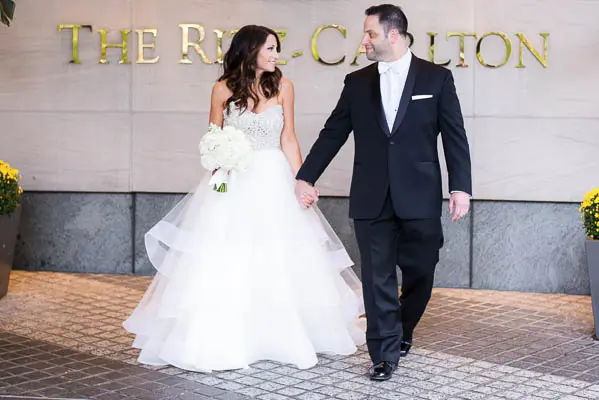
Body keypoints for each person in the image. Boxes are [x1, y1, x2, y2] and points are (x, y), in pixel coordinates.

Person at [123, 25, 365, 373]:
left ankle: (284, 333)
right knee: (228, 254)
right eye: (269, 48)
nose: (275, 54)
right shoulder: (222, 89)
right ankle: (226, 335)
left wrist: (303, 181)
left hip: (273, 179)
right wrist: (220, 160)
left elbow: (289, 140)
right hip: (232, 181)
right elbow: (212, 138)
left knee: (278, 253)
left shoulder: (284, 86)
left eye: (276, 48)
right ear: (250, 50)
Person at [295, 4, 472, 381]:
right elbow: (334, 132)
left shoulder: (436, 78)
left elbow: (455, 136)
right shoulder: (356, 82)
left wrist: (460, 187)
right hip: (371, 195)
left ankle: (403, 328)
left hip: (420, 195)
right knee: (377, 277)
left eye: (370, 34)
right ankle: (383, 353)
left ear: (394, 35)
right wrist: (305, 176)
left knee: (421, 271)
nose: (364, 41)